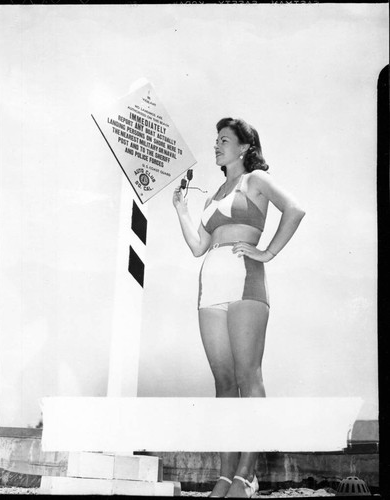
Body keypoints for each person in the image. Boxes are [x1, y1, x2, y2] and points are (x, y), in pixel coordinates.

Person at [172, 117, 305, 498]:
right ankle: (226, 474)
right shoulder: (214, 192)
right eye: (215, 140)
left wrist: (268, 252)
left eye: (224, 140)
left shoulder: (256, 181)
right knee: (224, 383)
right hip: (210, 281)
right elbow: (198, 246)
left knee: (248, 376)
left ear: (245, 147)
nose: (216, 145)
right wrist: (181, 208)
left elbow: (294, 209)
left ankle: (248, 472)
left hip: (246, 278)